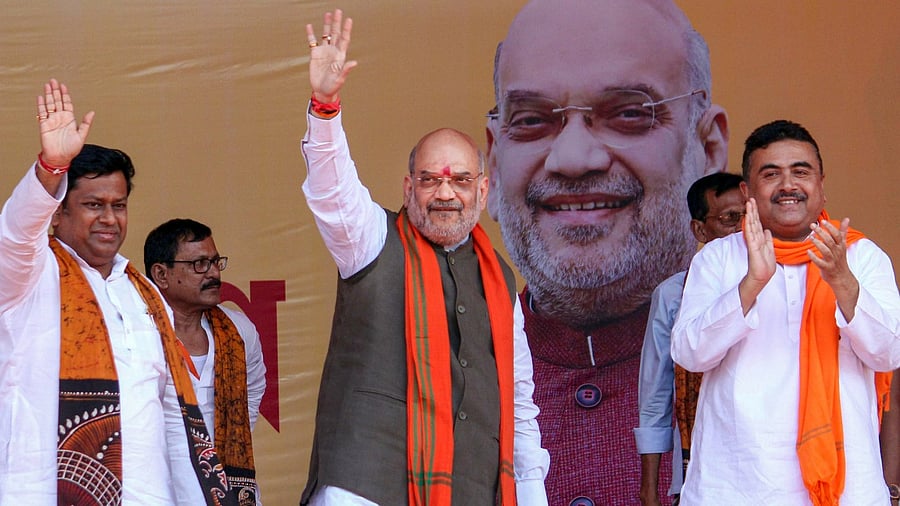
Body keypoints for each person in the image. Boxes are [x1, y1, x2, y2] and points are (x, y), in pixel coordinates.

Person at [298, 10, 549, 506]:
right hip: (365, 489)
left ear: (483, 190)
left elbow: (520, 407)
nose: (445, 194)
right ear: (408, 187)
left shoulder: (500, 281)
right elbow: (332, 191)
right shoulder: (370, 239)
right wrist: (325, 106)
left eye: (459, 181)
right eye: (431, 180)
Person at [485, 0, 729, 502]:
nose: (573, 159)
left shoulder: (781, 344)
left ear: (708, 148)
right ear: (491, 158)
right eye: (531, 120)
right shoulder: (446, 365)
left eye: (630, 114)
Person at [0, 79, 243, 505]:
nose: (110, 219)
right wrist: (51, 169)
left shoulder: (144, 293)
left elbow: (172, 415)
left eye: (119, 205)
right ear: (57, 214)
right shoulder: (30, 275)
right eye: (94, 205)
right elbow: (16, 236)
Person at [671, 120, 900, 504]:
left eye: (801, 171)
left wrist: (842, 279)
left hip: (847, 489)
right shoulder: (718, 259)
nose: (788, 185)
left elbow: (888, 353)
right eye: (771, 174)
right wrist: (752, 284)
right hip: (736, 486)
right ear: (748, 191)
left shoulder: (860, 257)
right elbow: (690, 354)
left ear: (821, 185)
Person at [634, 172, 745, 506]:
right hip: (701, 474)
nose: (742, 229)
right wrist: (649, 486)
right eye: (729, 219)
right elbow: (655, 396)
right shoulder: (673, 296)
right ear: (700, 230)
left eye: (749, 216)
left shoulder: (788, 281)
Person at [144, 218, 267, 504]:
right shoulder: (138, 334)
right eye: (199, 264)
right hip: (157, 491)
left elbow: (255, 385)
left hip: (233, 492)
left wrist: (230, 438)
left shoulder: (238, 330)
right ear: (161, 274)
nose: (213, 273)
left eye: (215, 262)